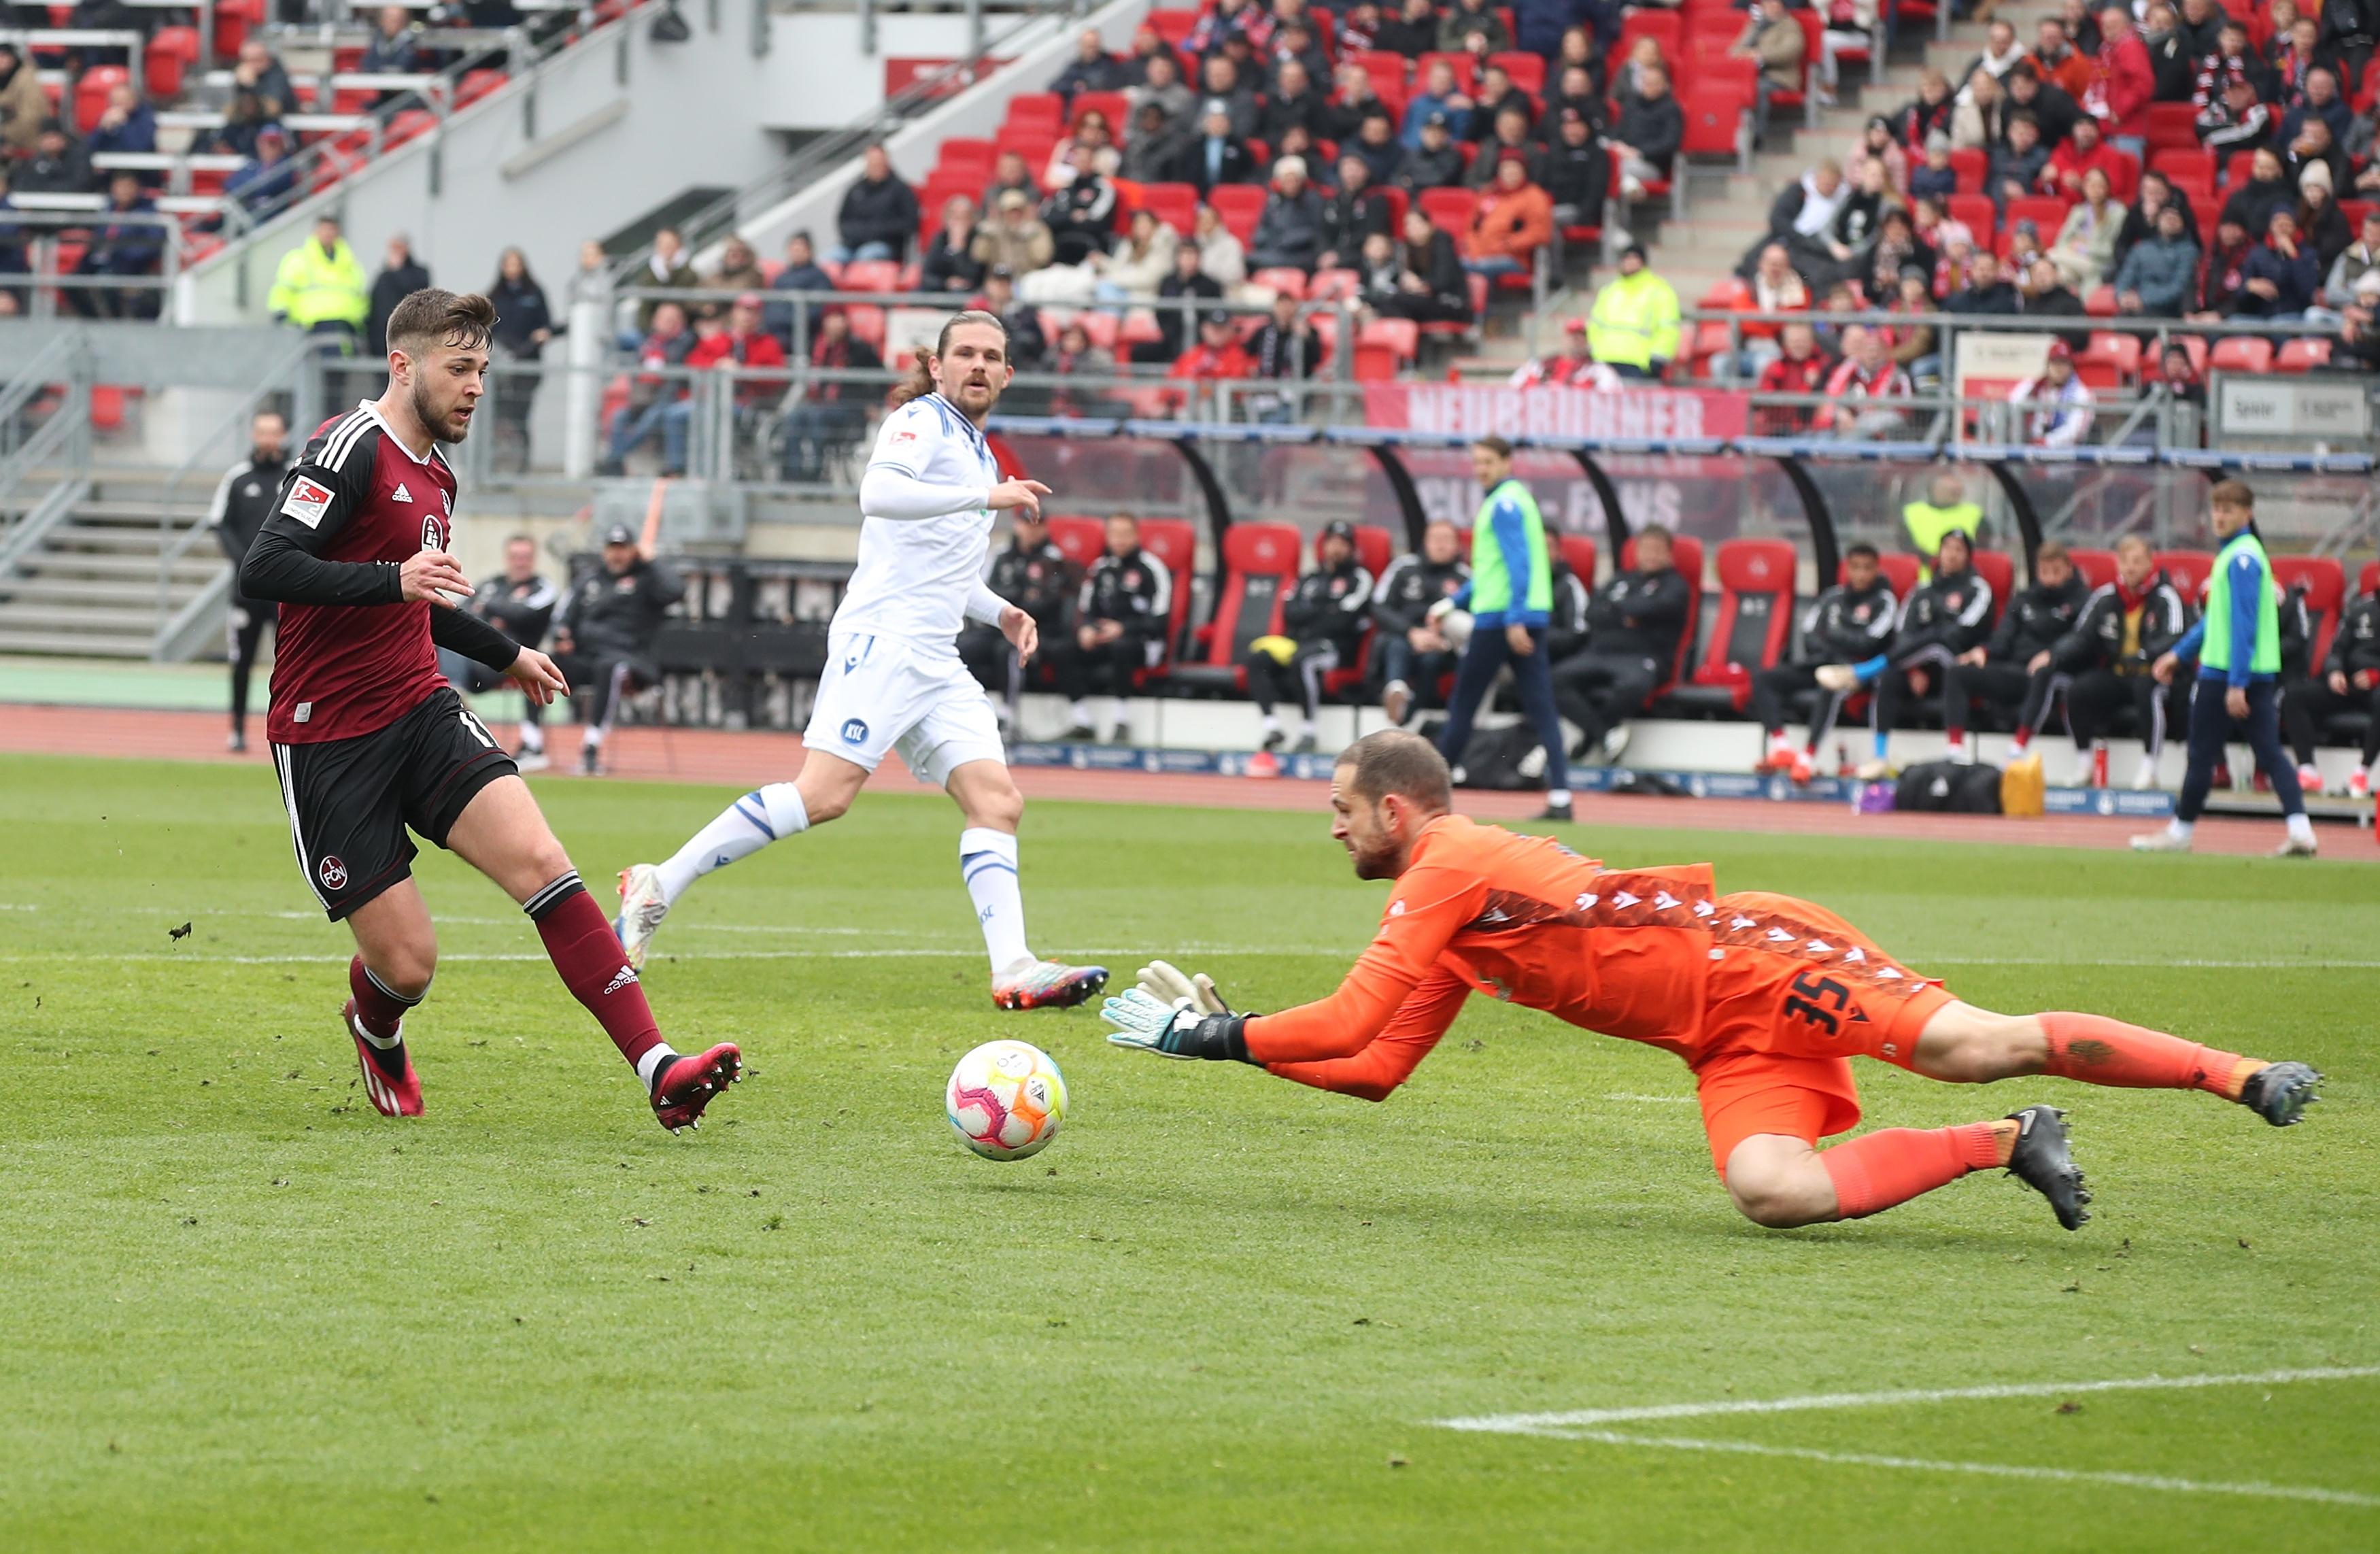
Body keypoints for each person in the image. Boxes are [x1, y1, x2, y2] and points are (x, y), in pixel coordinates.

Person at [1102, 730, 2323, 1232]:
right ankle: (2009, 1143)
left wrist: (1209, 1042)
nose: (1332, 832)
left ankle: (2241, 1074)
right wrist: (1228, 1040)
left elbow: (1351, 1015)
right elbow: (1372, 1067)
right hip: (1721, 1042)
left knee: (1975, 1037)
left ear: (1394, 808)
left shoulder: (1449, 861)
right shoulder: (1455, 917)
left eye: (1338, 811)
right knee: (1772, 1191)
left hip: (1761, 963)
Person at [237, 288, 738, 1132]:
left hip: (419, 705)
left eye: (483, 370)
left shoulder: (437, 474)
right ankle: (375, 1020)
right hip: (329, 736)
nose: (475, 386)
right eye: (459, 368)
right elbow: (266, 566)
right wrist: (389, 581)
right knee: (409, 964)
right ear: (404, 365)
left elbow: (418, 595)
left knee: (544, 863)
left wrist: (505, 653)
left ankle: (659, 1067)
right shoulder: (347, 448)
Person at [615, 313, 1110, 1010]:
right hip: (883, 642)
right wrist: (987, 494)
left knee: (997, 801)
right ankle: (659, 882)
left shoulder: (972, 450)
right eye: (963, 353)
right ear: (936, 367)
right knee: (823, 795)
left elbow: (942, 563)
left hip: (935, 657)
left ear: (1006, 374)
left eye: (990, 356)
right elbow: (876, 495)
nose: (976, 364)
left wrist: (999, 610)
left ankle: (1013, 968)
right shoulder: (921, 422)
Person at [2132, 484, 2318, 856]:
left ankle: (2180, 832)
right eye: (2216, 508)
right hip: (2248, 675)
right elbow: (2216, 619)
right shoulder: (2238, 554)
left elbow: (2244, 625)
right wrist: (2179, 654)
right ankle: (2301, 831)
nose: (2219, 516)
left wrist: (2236, 683)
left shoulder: (2242, 559)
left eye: (2229, 509)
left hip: (2226, 677)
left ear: (2247, 514)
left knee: (2203, 755)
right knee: (2269, 753)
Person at [1430, 437, 1573, 820]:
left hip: (1500, 620)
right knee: (1542, 705)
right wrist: (1453, 602)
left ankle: (1432, 799)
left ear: (1508, 463)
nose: (1481, 469)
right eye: (1477, 462)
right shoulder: (1515, 500)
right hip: (1525, 615)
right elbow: (1493, 570)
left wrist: (1513, 619)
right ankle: (1561, 796)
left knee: (1464, 702)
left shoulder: (1503, 504)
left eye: (1488, 462)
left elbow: (1517, 566)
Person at [1818, 527, 1996, 778]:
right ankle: (1879, 756)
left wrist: (1917, 657)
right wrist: (1913, 669)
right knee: (1891, 675)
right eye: (1947, 548)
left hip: (1959, 662)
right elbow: (1903, 634)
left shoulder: (1977, 589)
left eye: (1959, 550)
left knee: (1937, 639)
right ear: (1939, 552)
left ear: (1968, 556)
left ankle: (1862, 672)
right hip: (1922, 666)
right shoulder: (1921, 590)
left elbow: (1962, 633)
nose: (1952, 555)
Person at [1752, 542, 1898, 781]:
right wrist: (1836, 643)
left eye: (1867, 568)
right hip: (1821, 664)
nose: (1861, 574)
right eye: (1856, 567)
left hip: (1857, 672)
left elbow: (1869, 642)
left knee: (1831, 685)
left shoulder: (1884, 601)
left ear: (1876, 570)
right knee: (1764, 679)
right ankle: (1781, 747)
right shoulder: (1832, 597)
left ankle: (1807, 758)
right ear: (1847, 569)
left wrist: (1835, 636)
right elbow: (1809, 634)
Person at [1549, 522, 1692, 764]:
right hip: (1600, 653)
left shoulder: (1675, 585)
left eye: (1657, 550)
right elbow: (1593, 612)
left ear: (1669, 554)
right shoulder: (1620, 580)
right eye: (1646, 549)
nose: (1651, 555)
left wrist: (1620, 610)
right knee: (1552, 681)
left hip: (1644, 657)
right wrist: (1627, 615)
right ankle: (1604, 734)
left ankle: (1593, 735)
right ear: (1636, 552)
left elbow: (1655, 607)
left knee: (1633, 686)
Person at [2054, 535, 2190, 788]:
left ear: (2150, 563)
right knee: (2077, 690)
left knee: (2148, 690)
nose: (2131, 568)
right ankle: (2084, 764)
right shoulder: (2105, 597)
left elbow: (2175, 636)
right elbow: (2081, 635)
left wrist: (2145, 655)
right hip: (2118, 672)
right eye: (2125, 562)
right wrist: (2054, 655)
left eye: (2137, 562)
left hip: (2155, 672)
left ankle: (2149, 768)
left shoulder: (2166, 596)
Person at [1940, 540, 2090, 766]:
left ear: (2069, 569)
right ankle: (1955, 749)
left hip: (2057, 672)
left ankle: (2018, 749)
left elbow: (2082, 638)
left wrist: (2053, 654)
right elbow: (2004, 636)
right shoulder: (2024, 600)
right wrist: (1983, 651)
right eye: (2044, 571)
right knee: (1958, 672)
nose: (2049, 578)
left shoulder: (2084, 600)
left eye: (2056, 571)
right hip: (2017, 672)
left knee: (2044, 673)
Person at [547, 523, 683, 775]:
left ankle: (591, 747)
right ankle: (532, 742)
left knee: (610, 667)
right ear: (604, 551)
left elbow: (675, 591)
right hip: (587, 657)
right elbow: (563, 616)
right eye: (612, 548)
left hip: (631, 660)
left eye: (623, 548)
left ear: (634, 551)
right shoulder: (589, 580)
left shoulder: (647, 579)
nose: (617, 554)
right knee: (541, 662)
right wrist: (561, 635)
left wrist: (652, 561)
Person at [1242, 519, 1375, 754]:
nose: (1336, 549)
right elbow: (1289, 612)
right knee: (1258, 658)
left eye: (1342, 544)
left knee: (1304, 660)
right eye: (1331, 543)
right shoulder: (1309, 579)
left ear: (1352, 548)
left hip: (1334, 648)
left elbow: (1343, 620)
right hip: (1298, 642)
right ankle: (1272, 726)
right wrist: (1325, 609)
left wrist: (1312, 612)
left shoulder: (1360, 578)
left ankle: (1309, 731)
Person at [208, 409, 291, 754]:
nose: (268, 439)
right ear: (254, 435)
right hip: (245, 593)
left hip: (285, 592)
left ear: (283, 435)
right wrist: (245, 562)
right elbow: (218, 523)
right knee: (241, 660)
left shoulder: (295, 476)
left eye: (274, 432)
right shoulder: (238, 479)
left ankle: (288, 729)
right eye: (262, 432)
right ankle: (238, 728)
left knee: (290, 663)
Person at [440, 534, 559, 770]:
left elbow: (525, 615)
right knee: (440, 642)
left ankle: (530, 745)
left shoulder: (543, 587)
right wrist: (500, 614)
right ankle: (452, 698)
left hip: (516, 659)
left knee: (536, 665)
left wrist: (493, 608)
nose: (520, 562)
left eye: (525, 557)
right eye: (515, 557)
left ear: (533, 559)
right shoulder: (492, 584)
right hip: (477, 659)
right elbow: (464, 612)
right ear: (507, 558)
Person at [1050, 512, 1172, 743]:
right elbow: (1087, 611)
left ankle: (1122, 720)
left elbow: (1159, 621)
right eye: (1114, 534)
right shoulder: (1100, 568)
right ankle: (1082, 721)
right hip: (1104, 639)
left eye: (1125, 534)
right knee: (1063, 649)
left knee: (1121, 647)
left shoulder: (1152, 569)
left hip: (1142, 642)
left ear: (1136, 536)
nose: (1120, 540)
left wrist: (1123, 628)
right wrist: (1087, 629)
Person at [959, 509, 1074, 729]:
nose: (1030, 530)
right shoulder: (1000, 555)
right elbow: (987, 589)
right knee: (963, 647)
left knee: (1008, 650)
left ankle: (1007, 713)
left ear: (1044, 527)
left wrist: (1013, 598)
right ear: (1017, 525)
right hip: (997, 624)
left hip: (1036, 628)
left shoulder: (1053, 558)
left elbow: (1048, 601)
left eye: (1036, 524)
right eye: (1025, 523)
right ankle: (964, 709)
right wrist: (1020, 595)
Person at [2282, 580, 2380, 798]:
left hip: (2376, 688)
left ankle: (2361, 773)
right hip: (2348, 684)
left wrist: (2376, 676)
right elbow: (2336, 649)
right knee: (2296, 696)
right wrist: (2335, 671)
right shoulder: (2360, 609)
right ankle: (2307, 770)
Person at [1372, 520, 1469, 726]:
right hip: (1403, 636)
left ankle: (1406, 715)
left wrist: (1444, 642)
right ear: (1425, 542)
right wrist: (1411, 632)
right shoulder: (1404, 567)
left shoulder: (1465, 578)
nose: (1440, 545)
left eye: (1446, 540)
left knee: (1430, 661)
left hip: (1442, 646)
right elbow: (1379, 607)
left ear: (1458, 546)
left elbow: (1472, 623)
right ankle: (1396, 691)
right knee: (1396, 646)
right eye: (1435, 539)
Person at [779, 305, 883, 482]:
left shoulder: (859, 350)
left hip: (848, 409)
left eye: (840, 318)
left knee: (817, 418)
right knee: (794, 418)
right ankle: (792, 477)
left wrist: (873, 403)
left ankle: (816, 475)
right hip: (817, 405)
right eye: (832, 318)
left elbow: (881, 379)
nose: (837, 323)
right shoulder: (815, 347)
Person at [598, 301, 695, 477]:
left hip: (669, 398)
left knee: (649, 421)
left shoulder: (685, 341)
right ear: (655, 321)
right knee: (620, 417)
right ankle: (616, 465)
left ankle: (614, 459)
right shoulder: (647, 342)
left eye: (674, 320)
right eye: (665, 319)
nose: (669, 323)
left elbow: (678, 368)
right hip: (643, 398)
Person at [269, 214, 369, 353]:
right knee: (315, 371)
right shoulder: (299, 260)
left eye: (332, 230)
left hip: (345, 329)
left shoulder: (350, 264)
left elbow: (361, 296)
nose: (328, 234)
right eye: (324, 229)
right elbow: (283, 291)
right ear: (316, 232)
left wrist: (362, 323)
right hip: (311, 328)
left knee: (340, 370)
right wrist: (283, 318)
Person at [1585, 243, 1680, 380]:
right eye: (1625, 258)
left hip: (1638, 363)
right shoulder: (1609, 291)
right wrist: (1594, 351)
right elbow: (1595, 325)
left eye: (1633, 258)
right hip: (1604, 360)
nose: (1628, 262)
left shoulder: (1660, 291)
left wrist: (1657, 359)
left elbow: (1668, 329)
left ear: (1642, 262)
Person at [1461, 155, 1554, 282]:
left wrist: (1508, 244)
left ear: (1523, 171)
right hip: (1480, 254)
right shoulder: (1488, 193)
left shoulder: (1534, 196)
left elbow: (1540, 233)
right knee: (1457, 264)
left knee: (1471, 267)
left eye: (1515, 168)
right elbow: (1471, 227)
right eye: (1506, 168)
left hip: (1513, 258)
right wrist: (1474, 248)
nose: (1510, 172)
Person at [833, 144, 918, 265]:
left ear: (886, 162)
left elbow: (909, 223)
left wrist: (877, 231)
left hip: (886, 246)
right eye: (872, 163)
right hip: (853, 245)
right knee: (828, 260)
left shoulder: (901, 190)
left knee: (866, 256)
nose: (875, 166)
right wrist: (858, 234)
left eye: (879, 162)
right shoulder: (856, 189)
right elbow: (843, 221)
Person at [2009, 338, 2096, 447]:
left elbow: (2075, 432)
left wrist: (2047, 442)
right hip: (2030, 450)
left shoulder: (2082, 393)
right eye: (2055, 363)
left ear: (2071, 366)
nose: (2059, 369)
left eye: (2064, 363)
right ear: (2048, 365)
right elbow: (2012, 407)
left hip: (2066, 457)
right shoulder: (2031, 387)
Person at [1901, 471, 1982, 579]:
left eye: (1959, 491)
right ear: (1935, 490)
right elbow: (1905, 547)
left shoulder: (1974, 514)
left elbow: (1982, 551)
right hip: (1920, 580)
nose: (1957, 494)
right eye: (1952, 491)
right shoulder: (1912, 513)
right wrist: (1933, 560)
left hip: (1962, 580)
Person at [367, 236, 430, 360]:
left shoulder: (419, 273)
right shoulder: (383, 276)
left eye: (398, 248)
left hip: (407, 337)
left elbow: (417, 293)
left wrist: (397, 271)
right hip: (380, 342)